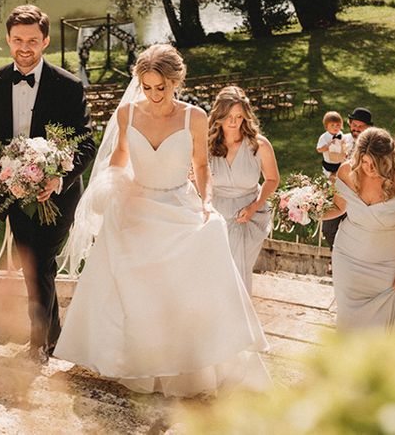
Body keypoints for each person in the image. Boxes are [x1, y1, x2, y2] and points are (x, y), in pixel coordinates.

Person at [55, 45, 270, 397]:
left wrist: (206, 203)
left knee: (188, 274)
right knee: (135, 289)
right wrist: (113, 187)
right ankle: (138, 366)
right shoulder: (127, 113)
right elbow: (121, 154)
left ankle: (189, 366)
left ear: (175, 82)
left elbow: (201, 167)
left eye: (161, 87)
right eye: (147, 87)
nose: (154, 95)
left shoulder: (194, 118)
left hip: (178, 203)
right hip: (137, 203)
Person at [0, 5, 96, 364]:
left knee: (40, 259)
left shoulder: (67, 85)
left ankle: (36, 343)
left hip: (58, 193)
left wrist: (58, 178)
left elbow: (86, 140)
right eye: (17, 40)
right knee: (35, 264)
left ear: (45, 41)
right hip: (12, 190)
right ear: (8, 40)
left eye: (32, 40)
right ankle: (55, 339)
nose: (24, 47)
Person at [322, 128, 395, 331]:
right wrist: (308, 212)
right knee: (348, 319)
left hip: (385, 264)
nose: (368, 168)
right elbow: (339, 208)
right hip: (347, 257)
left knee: (380, 325)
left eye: (374, 163)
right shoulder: (347, 171)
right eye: (364, 162)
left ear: (388, 160)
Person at [208, 86, 280, 295]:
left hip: (249, 215)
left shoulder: (259, 145)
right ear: (219, 115)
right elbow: (199, 183)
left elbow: (273, 179)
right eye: (228, 116)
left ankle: (239, 318)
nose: (233, 122)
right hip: (217, 215)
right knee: (219, 274)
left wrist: (254, 206)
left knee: (239, 271)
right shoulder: (207, 145)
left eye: (239, 117)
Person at [321, 106, 372, 252]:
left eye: (360, 126)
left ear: (368, 127)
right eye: (354, 125)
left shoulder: (372, 145)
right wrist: (329, 176)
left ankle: (344, 260)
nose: (356, 128)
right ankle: (336, 255)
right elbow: (329, 161)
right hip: (338, 190)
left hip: (360, 195)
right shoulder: (341, 139)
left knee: (353, 233)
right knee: (328, 228)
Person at [316, 110, 351, 178]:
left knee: (341, 177)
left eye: (338, 125)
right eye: (332, 125)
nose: (335, 127)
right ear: (326, 127)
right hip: (329, 163)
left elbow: (343, 144)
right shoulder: (324, 137)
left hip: (339, 162)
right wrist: (328, 146)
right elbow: (319, 149)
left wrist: (345, 152)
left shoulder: (340, 134)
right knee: (330, 178)